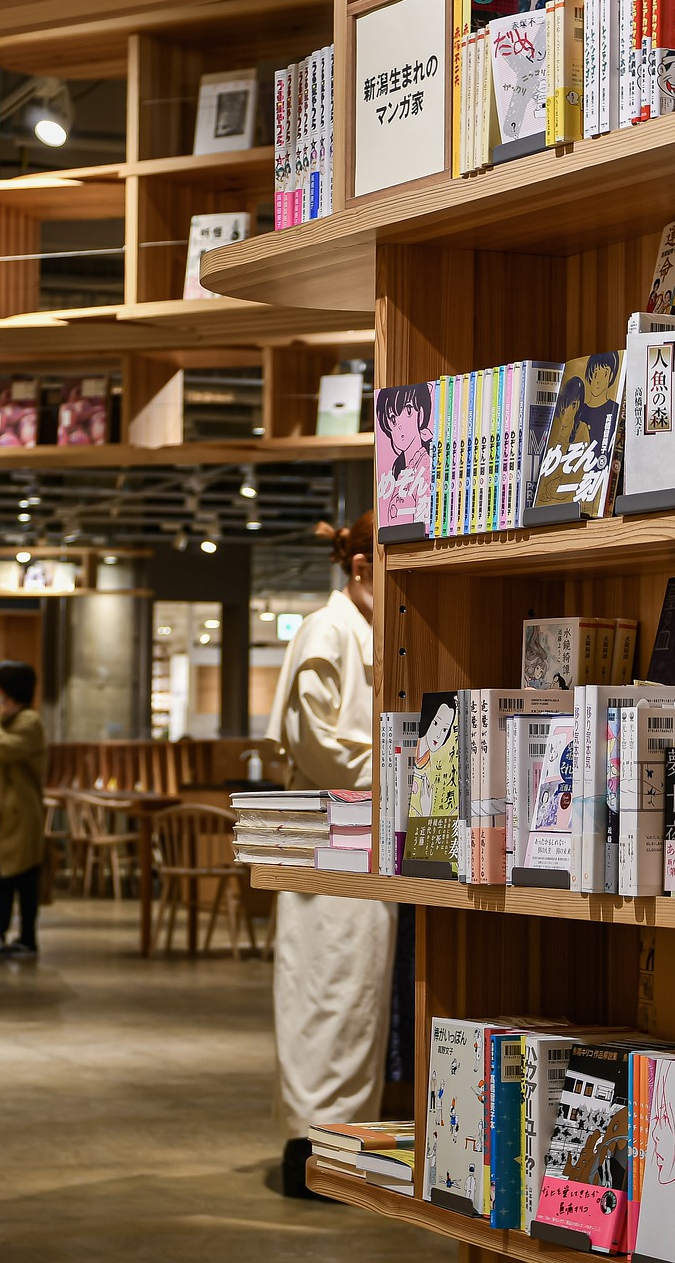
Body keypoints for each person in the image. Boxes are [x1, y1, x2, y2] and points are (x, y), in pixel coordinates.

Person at [264, 511, 394, 1198]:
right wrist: (409, 764)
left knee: (356, 987)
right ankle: (316, 1149)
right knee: (328, 985)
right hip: (328, 829)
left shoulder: (369, 628)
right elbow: (317, 744)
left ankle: (340, 1146)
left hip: (360, 829)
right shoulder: (328, 628)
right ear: (361, 566)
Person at [0, 661, 47, 962]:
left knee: (23, 878)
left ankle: (27, 939)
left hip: (23, 813)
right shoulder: (6, 722)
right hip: (4, 812)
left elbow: (6, 748)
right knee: (4, 877)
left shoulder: (29, 722)